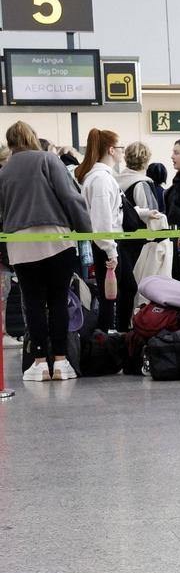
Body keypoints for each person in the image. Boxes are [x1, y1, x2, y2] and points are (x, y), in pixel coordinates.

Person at [0, 122, 91, 381]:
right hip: (56, 241)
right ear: (32, 137)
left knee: (34, 303)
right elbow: (70, 197)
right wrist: (86, 231)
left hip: (20, 245)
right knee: (59, 300)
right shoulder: (48, 160)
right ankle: (61, 362)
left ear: (10, 142)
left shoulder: (4, 172)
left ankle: (39, 362)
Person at [76, 129, 160, 332]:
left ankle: (117, 335)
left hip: (110, 243)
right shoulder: (101, 180)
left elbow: (115, 210)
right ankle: (110, 339)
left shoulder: (103, 177)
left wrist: (142, 213)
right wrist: (111, 251)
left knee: (124, 290)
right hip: (109, 245)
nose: (123, 152)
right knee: (111, 297)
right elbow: (102, 219)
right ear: (111, 150)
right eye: (120, 147)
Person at [116, 142, 160, 212]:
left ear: (125, 158)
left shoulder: (115, 180)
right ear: (147, 160)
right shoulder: (142, 183)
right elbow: (150, 215)